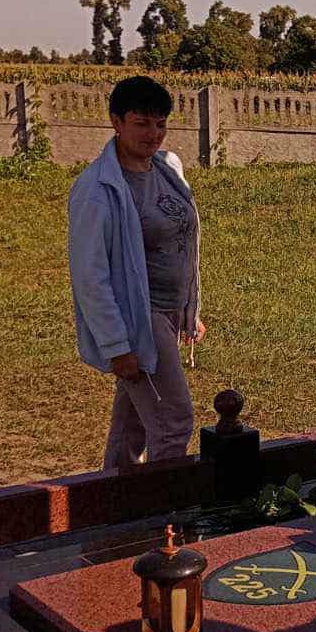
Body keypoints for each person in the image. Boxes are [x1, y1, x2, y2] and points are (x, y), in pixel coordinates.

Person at [68, 75, 205, 468]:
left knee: (133, 424)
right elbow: (90, 276)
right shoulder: (98, 190)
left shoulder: (166, 168)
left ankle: (114, 496)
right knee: (172, 421)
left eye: (160, 123)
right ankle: (162, 504)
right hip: (139, 319)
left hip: (169, 313)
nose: (153, 134)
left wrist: (190, 308)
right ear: (116, 121)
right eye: (142, 123)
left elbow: (182, 242)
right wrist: (116, 345)